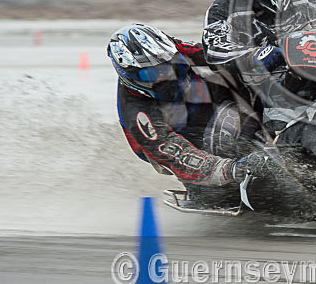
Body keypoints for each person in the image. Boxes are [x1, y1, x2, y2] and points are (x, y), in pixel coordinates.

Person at [107, 23, 269, 186]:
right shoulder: (135, 111)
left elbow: (214, 55)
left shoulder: (169, 49)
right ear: (130, 76)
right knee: (212, 153)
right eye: (151, 73)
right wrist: (231, 169)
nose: (166, 74)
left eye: (167, 64)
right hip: (163, 141)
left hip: (193, 100)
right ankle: (206, 187)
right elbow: (170, 149)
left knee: (233, 77)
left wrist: (257, 56)